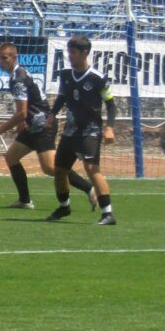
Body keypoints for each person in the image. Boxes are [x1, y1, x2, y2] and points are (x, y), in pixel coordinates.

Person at [0, 41, 96, 210]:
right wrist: (22, 123)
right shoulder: (17, 74)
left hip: (43, 126)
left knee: (51, 168)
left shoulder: (18, 79)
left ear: (14, 57)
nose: (1, 62)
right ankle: (25, 201)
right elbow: (27, 108)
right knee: (11, 157)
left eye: (4, 58)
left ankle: (90, 189)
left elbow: (21, 112)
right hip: (33, 126)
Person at [46, 35, 117, 225]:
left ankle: (108, 214)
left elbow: (111, 105)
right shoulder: (65, 74)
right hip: (70, 130)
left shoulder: (97, 78)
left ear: (84, 53)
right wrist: (52, 114)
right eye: (68, 52)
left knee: (91, 169)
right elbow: (62, 96)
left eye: (73, 52)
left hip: (90, 131)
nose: (69, 55)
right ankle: (64, 207)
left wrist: (110, 128)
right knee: (59, 169)